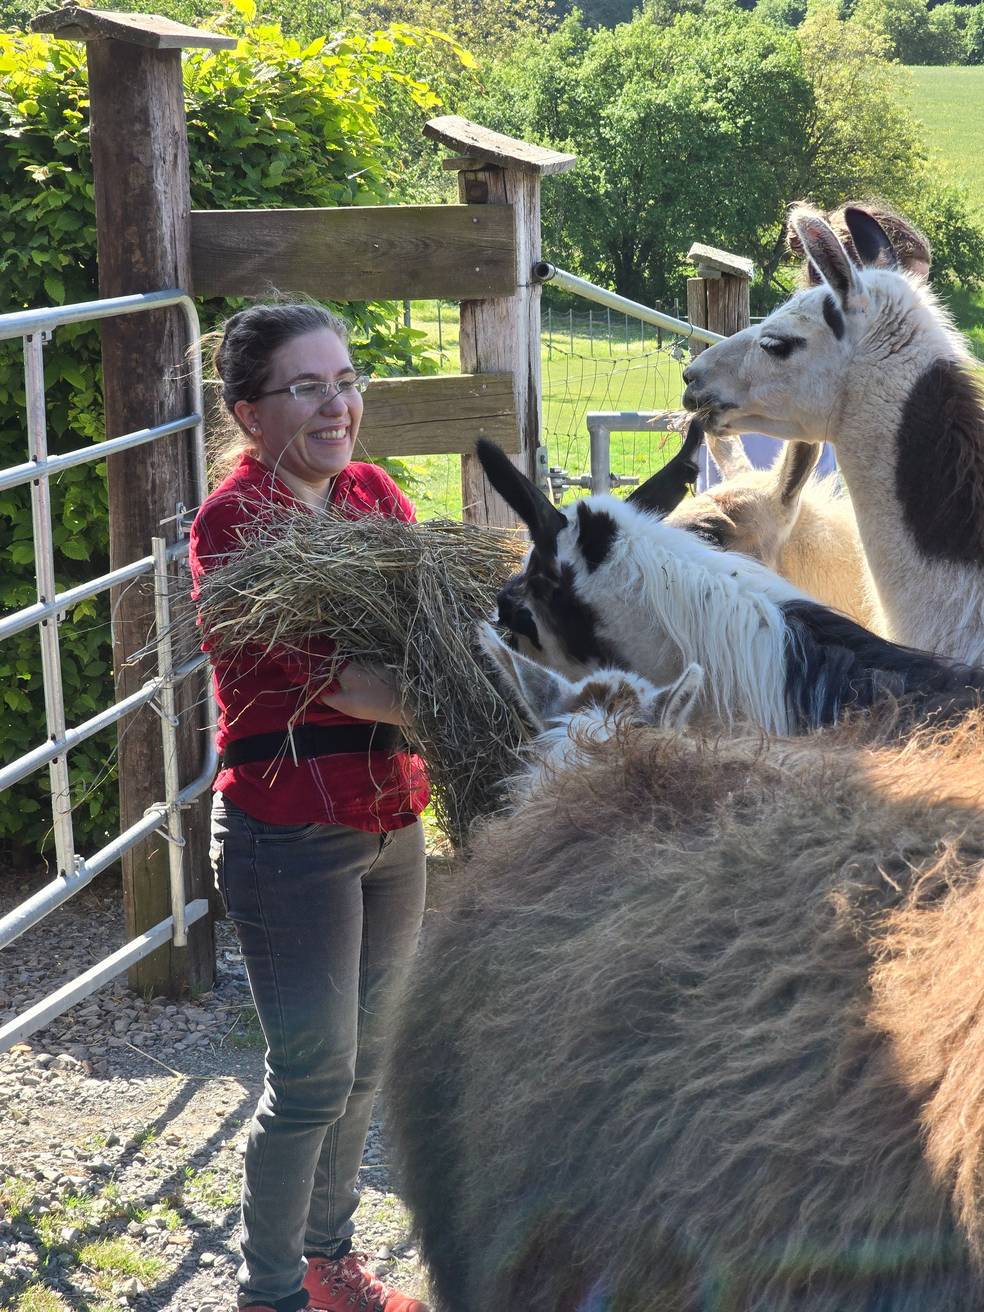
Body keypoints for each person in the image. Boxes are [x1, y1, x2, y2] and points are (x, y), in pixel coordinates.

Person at [189, 302, 430, 1312]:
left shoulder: (374, 496)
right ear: (251, 414)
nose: (338, 406)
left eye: (346, 381)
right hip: (290, 834)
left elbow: (429, 622)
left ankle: (329, 1265)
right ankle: (272, 1292)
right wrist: (468, 694)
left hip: (392, 822)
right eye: (307, 388)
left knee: (366, 1063)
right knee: (312, 1075)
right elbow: (332, 679)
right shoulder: (234, 523)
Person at [696, 198, 932, 491]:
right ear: (843, 280)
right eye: (901, 303)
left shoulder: (838, 398)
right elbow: (751, 511)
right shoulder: (766, 392)